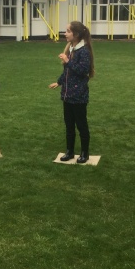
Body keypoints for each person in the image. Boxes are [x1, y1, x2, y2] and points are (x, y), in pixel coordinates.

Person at [49, 21, 94, 164]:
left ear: (76, 34)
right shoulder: (71, 49)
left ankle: (84, 153)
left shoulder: (84, 51)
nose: (65, 34)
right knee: (69, 125)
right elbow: (67, 72)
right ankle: (69, 151)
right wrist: (59, 82)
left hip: (79, 96)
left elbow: (83, 70)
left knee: (81, 125)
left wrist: (68, 61)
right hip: (67, 95)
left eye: (68, 31)